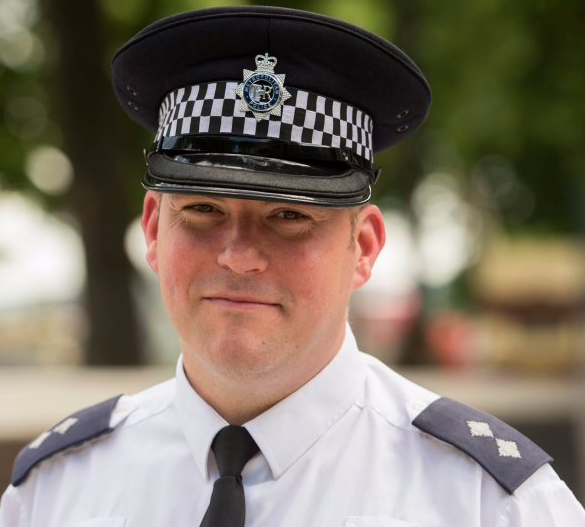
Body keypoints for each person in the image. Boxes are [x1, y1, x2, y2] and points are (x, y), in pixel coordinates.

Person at [1, 6, 584, 526]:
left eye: (288, 216)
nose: (238, 255)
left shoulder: (486, 503)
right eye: (203, 210)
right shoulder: (55, 490)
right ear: (153, 229)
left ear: (364, 247)